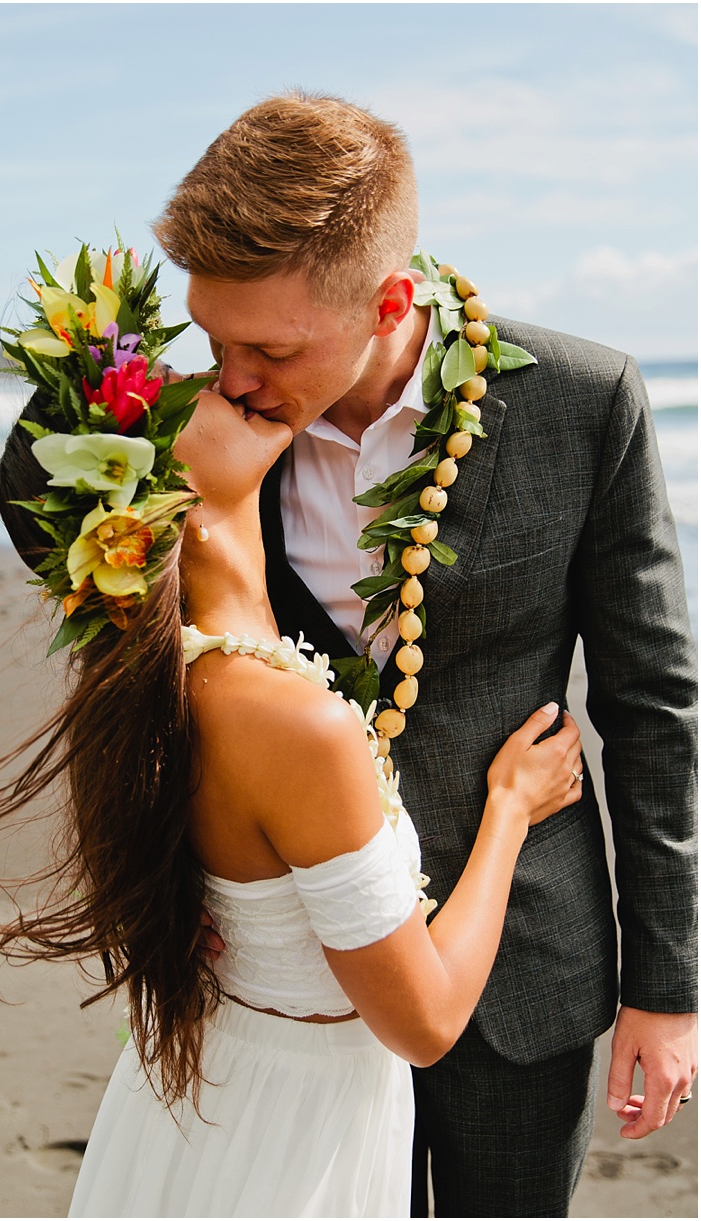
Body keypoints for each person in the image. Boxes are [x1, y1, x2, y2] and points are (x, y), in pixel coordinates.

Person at [153, 91, 698, 1217]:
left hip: (521, 978)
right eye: (215, 338)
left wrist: (671, 987)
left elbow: (654, 703)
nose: (236, 375)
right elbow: (46, 510)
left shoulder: (585, 401)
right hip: (293, 982)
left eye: (271, 346)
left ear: (390, 299)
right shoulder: (192, 427)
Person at [0, 245, 585, 1219]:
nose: (231, 379)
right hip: (288, 1136)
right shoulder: (285, 716)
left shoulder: (182, 676)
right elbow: (425, 1022)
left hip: (223, 1091)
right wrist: (510, 811)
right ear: (151, 494)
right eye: (182, 396)